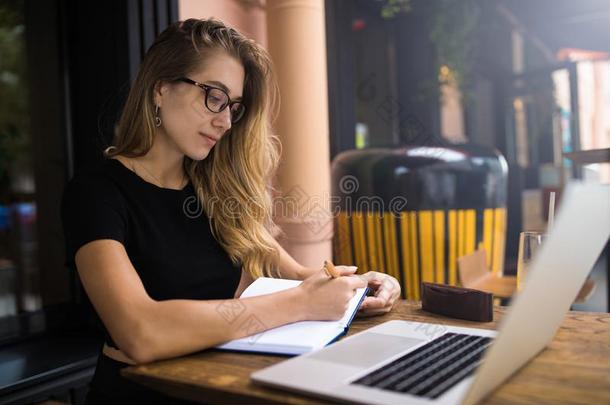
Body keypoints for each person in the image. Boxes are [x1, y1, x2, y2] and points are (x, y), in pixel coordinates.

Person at [61, 18, 401, 404]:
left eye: (234, 107)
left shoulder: (216, 191)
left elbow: (304, 277)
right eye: (214, 96)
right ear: (160, 88)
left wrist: (360, 287)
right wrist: (302, 302)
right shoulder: (95, 194)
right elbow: (140, 332)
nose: (224, 121)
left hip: (221, 390)